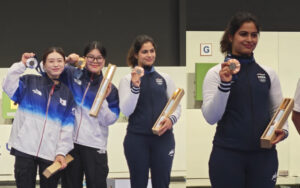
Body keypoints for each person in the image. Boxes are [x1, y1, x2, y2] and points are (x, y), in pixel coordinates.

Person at [201, 11, 288, 188]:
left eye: (254, 35)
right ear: (231, 36)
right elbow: (211, 117)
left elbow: (277, 111)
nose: (250, 39)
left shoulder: (268, 73)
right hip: (227, 156)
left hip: (264, 157)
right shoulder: (215, 73)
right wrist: (225, 85)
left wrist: (283, 130)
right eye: (243, 34)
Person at [2, 47, 75, 188]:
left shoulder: (67, 94)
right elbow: (7, 85)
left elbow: (67, 128)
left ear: (64, 64)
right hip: (24, 150)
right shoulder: (29, 81)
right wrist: (21, 64)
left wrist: (61, 152)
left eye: (60, 61)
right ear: (44, 65)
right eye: (51, 61)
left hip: (50, 153)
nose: (55, 64)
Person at [118, 34, 181, 188]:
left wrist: (171, 120)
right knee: (138, 183)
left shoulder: (165, 78)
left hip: (163, 140)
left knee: (162, 184)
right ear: (136, 54)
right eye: (145, 52)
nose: (150, 55)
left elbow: (176, 106)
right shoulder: (127, 79)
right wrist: (135, 86)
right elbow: (126, 110)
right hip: (137, 140)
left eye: (152, 51)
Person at [60, 41, 120, 188]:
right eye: (91, 57)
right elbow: (46, 69)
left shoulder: (111, 89)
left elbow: (110, 120)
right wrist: (66, 60)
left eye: (99, 58)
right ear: (84, 58)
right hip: (70, 144)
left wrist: (103, 100)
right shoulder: (71, 74)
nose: (95, 61)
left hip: (95, 146)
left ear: (104, 61)